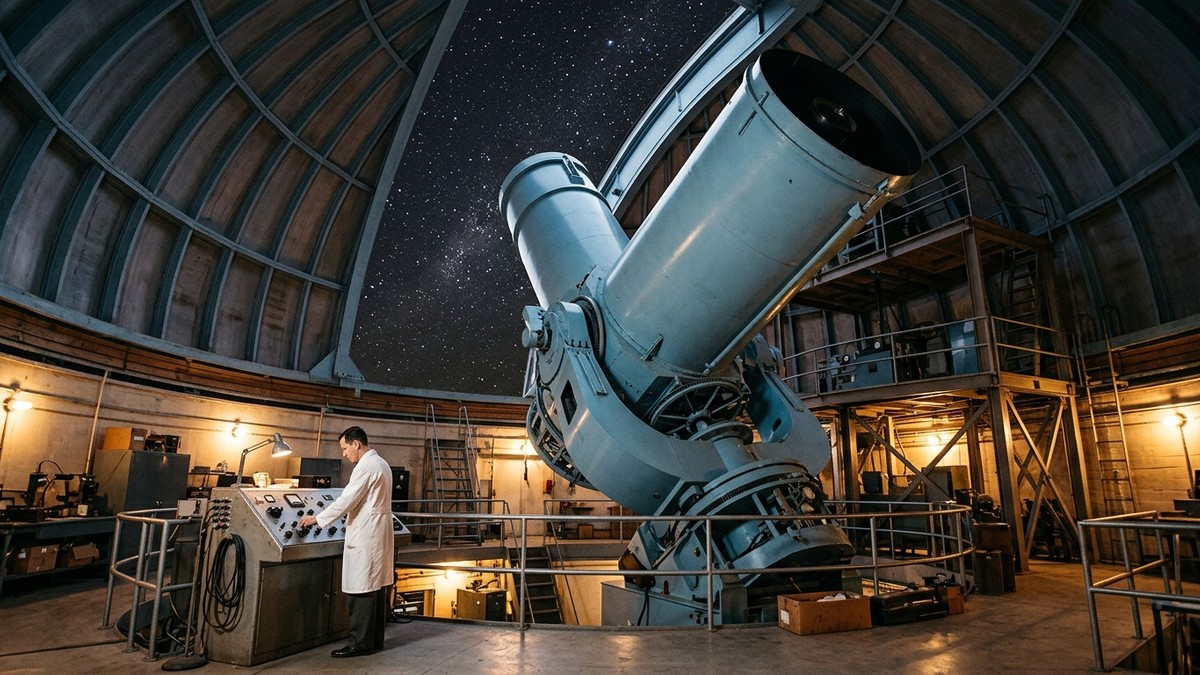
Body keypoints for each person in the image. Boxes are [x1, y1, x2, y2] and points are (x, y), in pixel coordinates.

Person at [299, 426, 394, 658]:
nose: (344, 454)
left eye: (345, 448)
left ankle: (358, 644)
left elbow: (346, 500)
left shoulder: (365, 467)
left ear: (356, 444)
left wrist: (317, 519)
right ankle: (374, 642)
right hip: (378, 532)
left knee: (360, 589)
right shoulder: (382, 463)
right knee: (376, 588)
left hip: (366, 534)